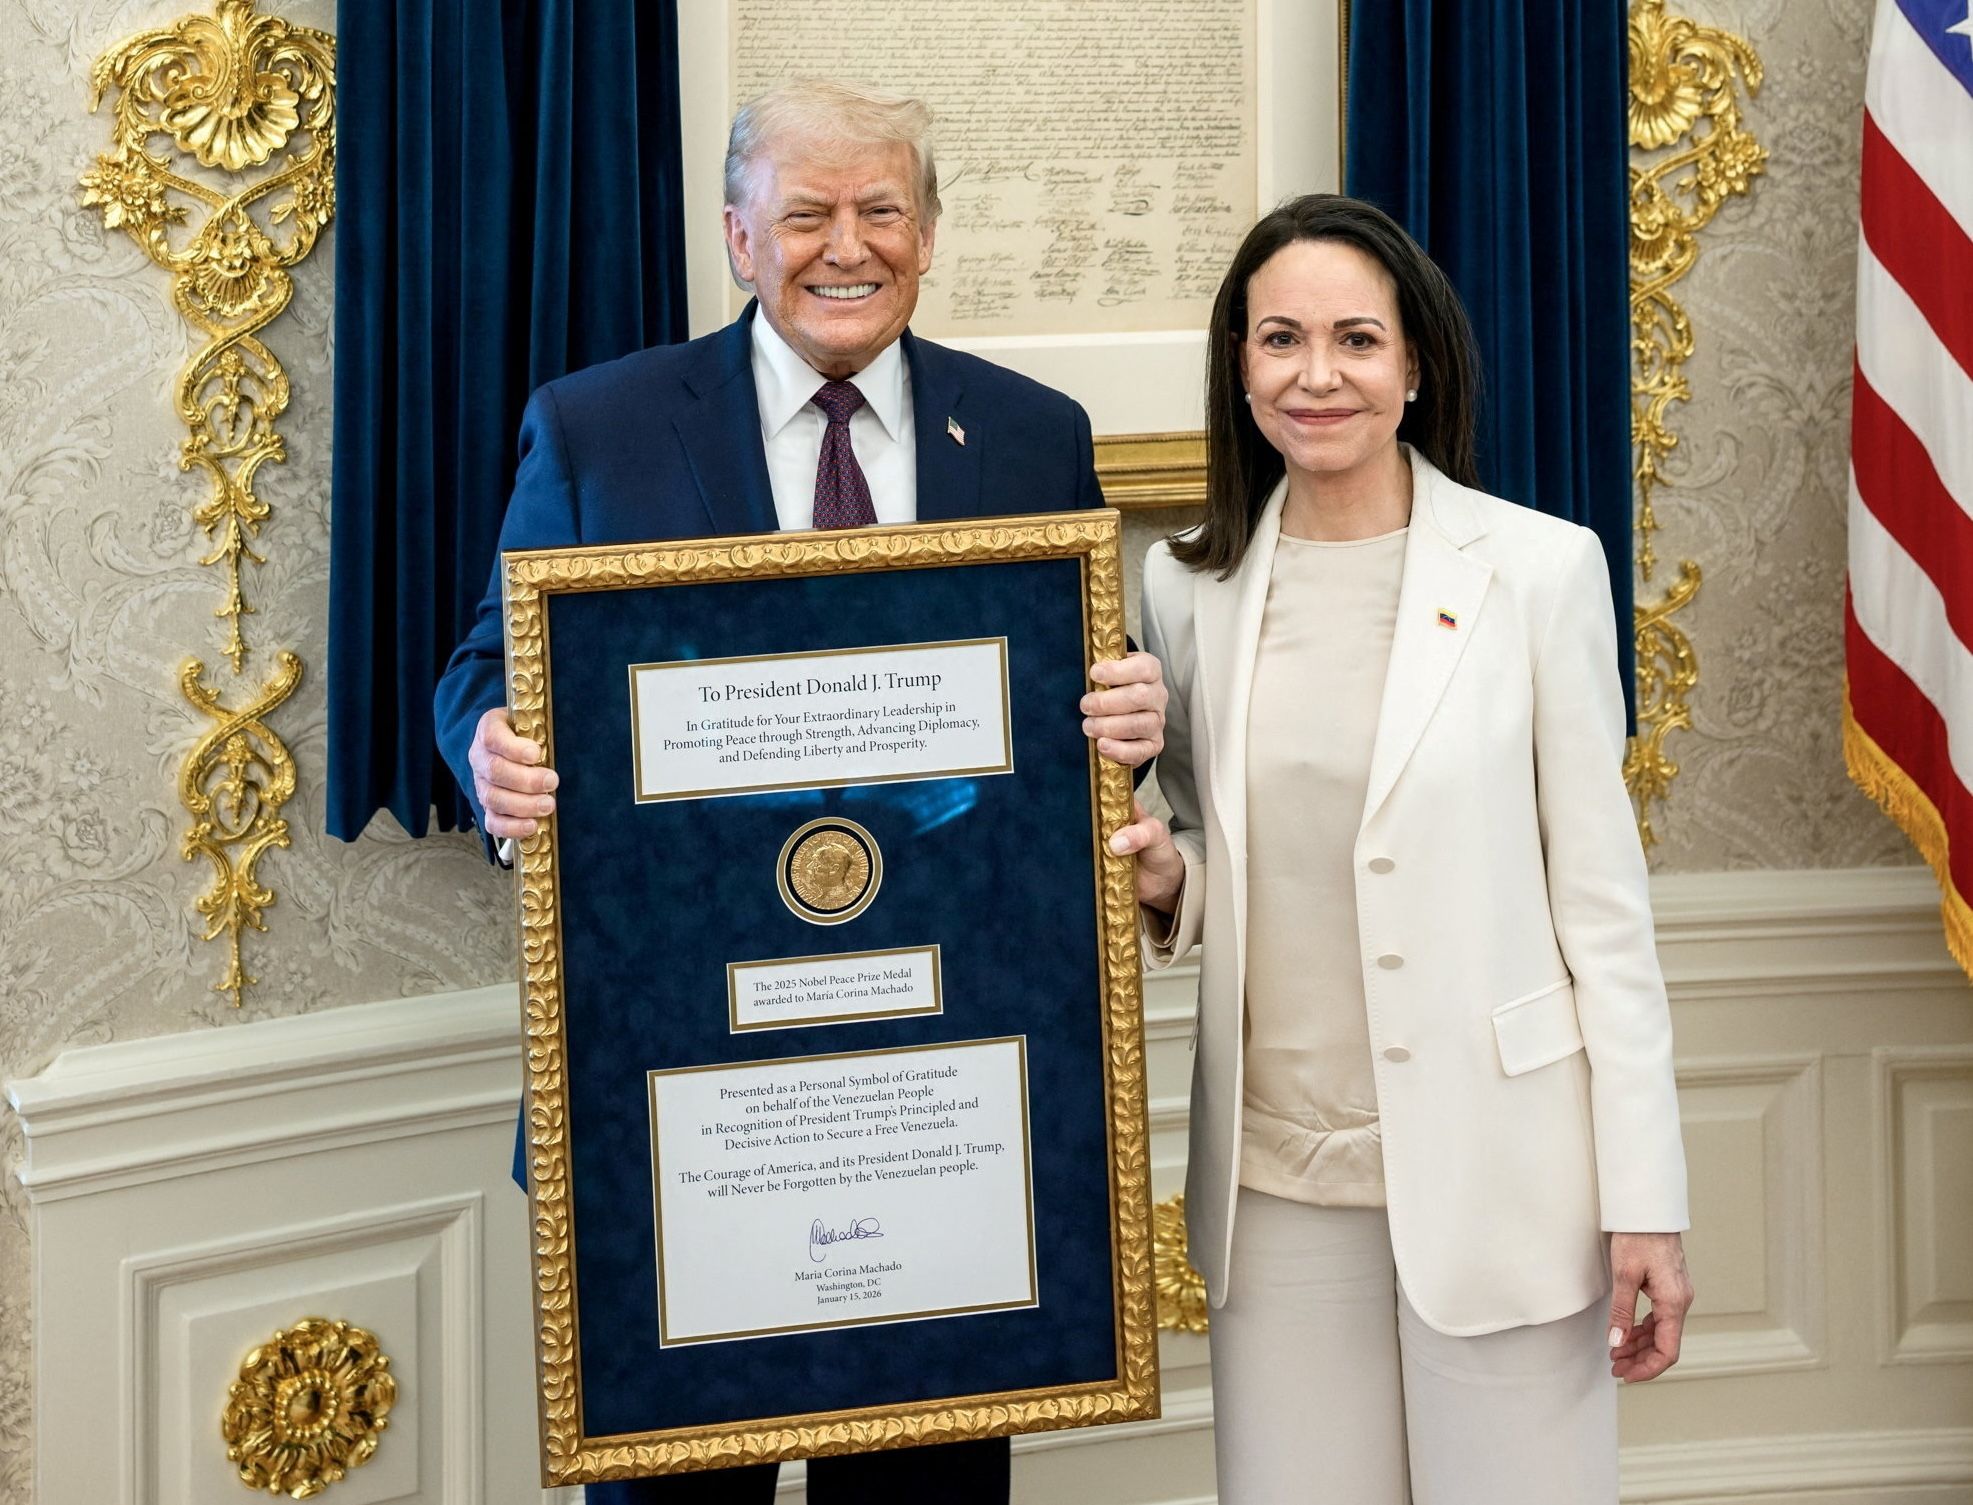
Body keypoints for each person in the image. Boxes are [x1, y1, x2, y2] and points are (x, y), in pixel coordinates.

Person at [433, 81, 1166, 1504]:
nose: (850, 246)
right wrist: (489, 749)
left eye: (882, 211)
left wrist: (1127, 708)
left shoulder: (1026, 432)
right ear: (737, 235)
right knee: (671, 1484)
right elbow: (485, 665)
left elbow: (1062, 701)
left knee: (927, 1484)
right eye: (809, 213)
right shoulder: (600, 426)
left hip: (942, 1064)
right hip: (675, 1068)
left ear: (929, 233)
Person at [1107, 194, 1693, 1504]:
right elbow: (1207, 837)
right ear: (1238, 365)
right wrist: (1164, 877)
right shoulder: (1184, 588)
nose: (1317, 375)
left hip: (1505, 1173)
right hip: (1273, 1185)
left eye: (1355, 340)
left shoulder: (1537, 571)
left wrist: (1643, 1197)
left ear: (1414, 364)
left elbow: (1603, 908)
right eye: (1279, 340)